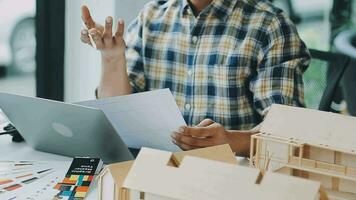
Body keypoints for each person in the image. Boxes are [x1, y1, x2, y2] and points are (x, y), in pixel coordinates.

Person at [80, 0, 310, 156]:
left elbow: (287, 130)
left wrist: (231, 141)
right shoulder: (152, 15)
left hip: (232, 177)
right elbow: (120, 110)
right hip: (156, 168)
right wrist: (112, 59)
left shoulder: (269, 24)